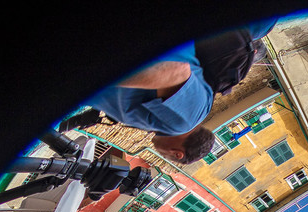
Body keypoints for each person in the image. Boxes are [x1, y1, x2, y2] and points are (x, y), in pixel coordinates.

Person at [76, 22, 276, 164]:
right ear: (176, 153)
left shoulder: (173, 122)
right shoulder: (184, 121)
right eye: (165, 157)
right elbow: (174, 70)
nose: (159, 153)